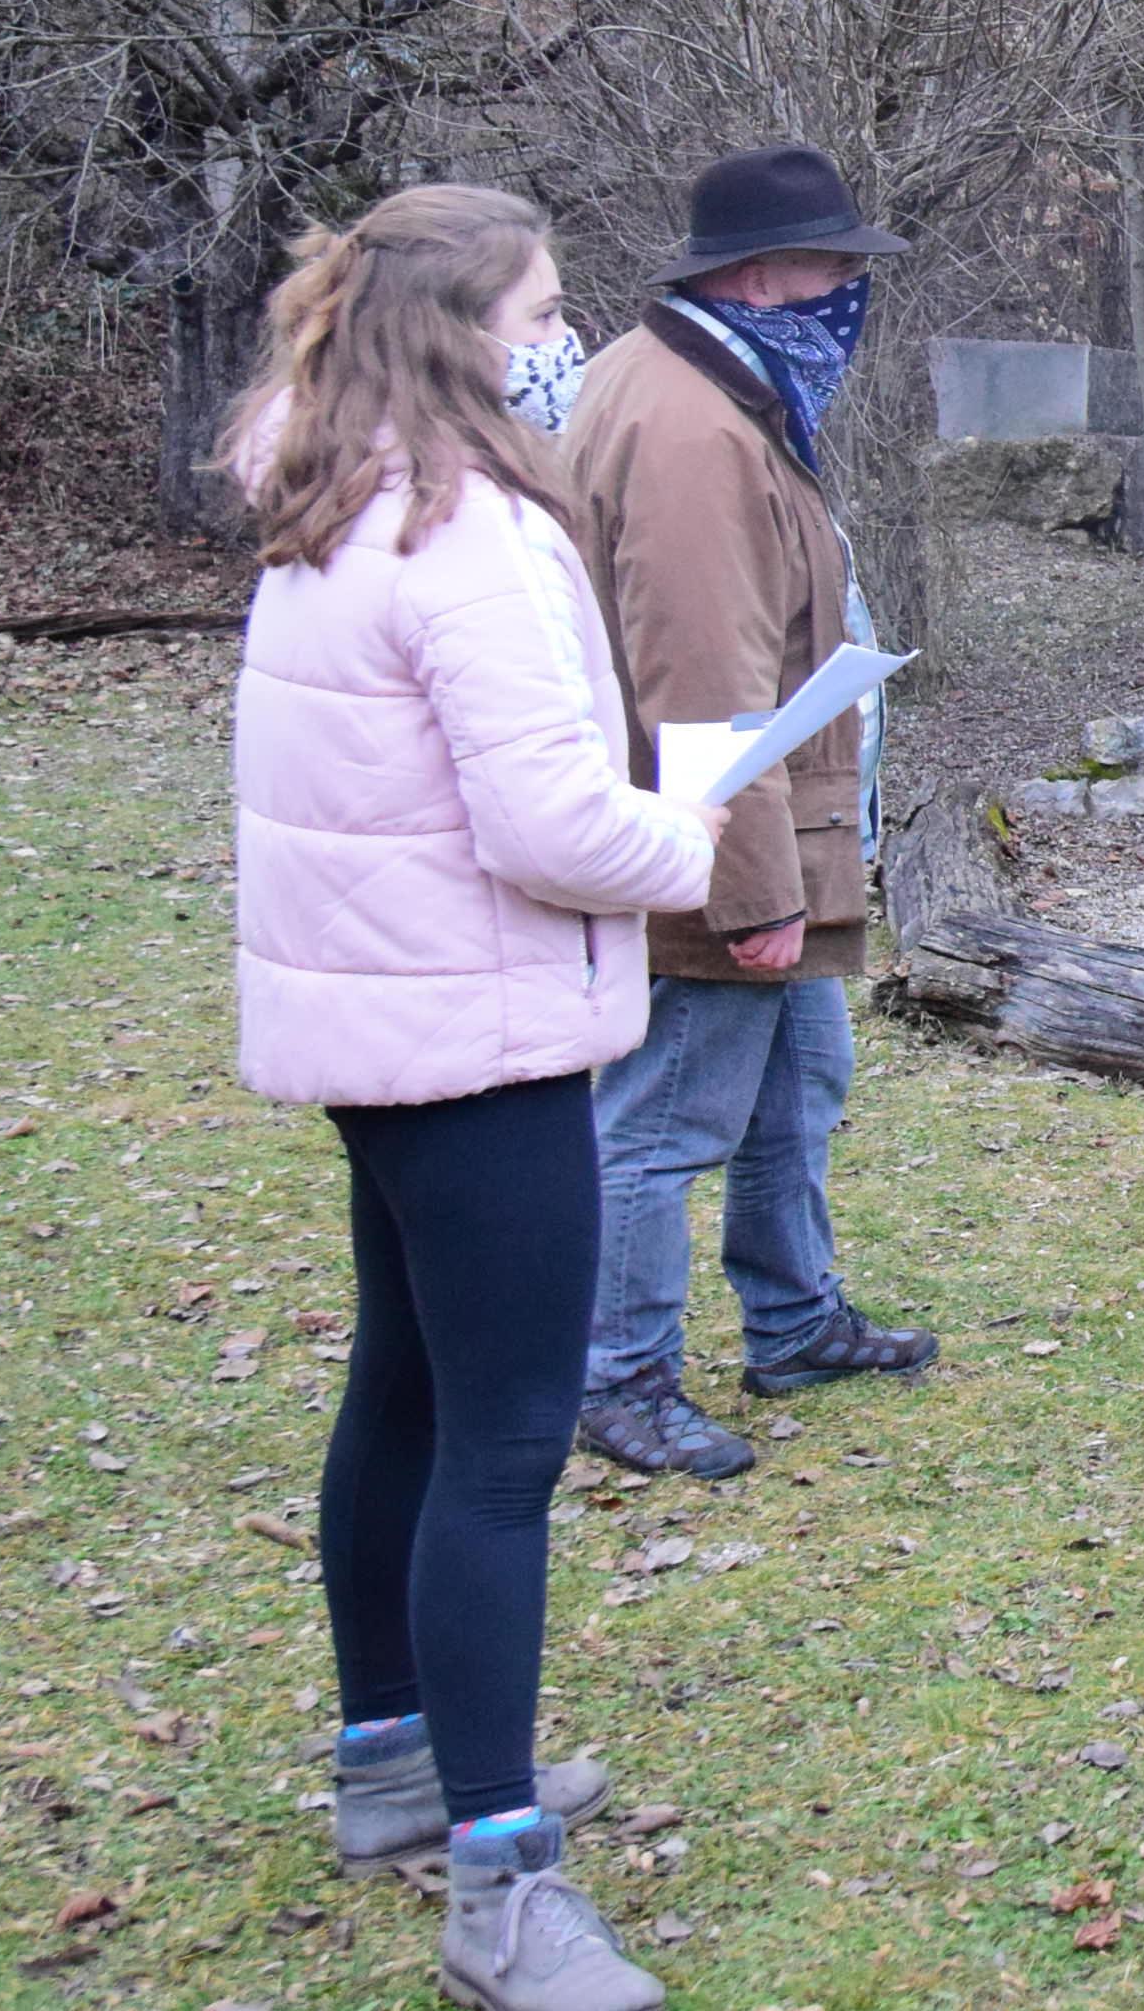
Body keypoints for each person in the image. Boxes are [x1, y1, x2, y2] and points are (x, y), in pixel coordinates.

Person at [227, 185, 716, 2011]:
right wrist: (693, 826)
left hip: (384, 1026)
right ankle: (500, 1885)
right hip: (478, 1035)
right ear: (467, 327)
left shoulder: (326, 489)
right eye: (544, 307)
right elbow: (550, 822)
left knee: (407, 1390)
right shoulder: (467, 528)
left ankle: (393, 1767)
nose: (560, 334)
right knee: (503, 1447)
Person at [565, 145, 939, 1482]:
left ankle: (794, 1320)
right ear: (762, 275)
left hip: (774, 824)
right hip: (729, 839)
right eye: (836, 264)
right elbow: (702, 675)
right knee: (664, 1121)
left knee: (798, 1086)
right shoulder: (687, 427)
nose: (850, 288)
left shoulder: (716, 387)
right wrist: (754, 889)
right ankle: (620, 1381)